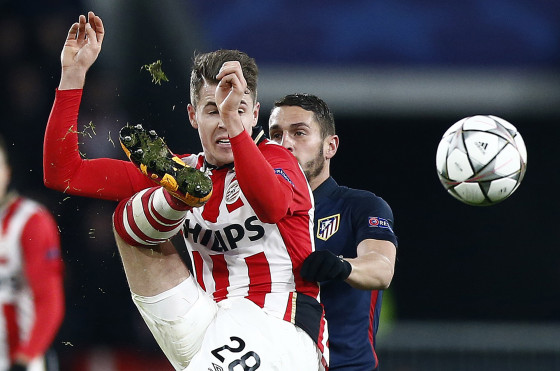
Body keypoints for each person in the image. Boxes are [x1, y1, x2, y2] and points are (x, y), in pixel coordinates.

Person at [43, 11, 327, 370]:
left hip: (281, 331)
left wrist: (235, 127)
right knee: (127, 219)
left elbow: (270, 207)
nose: (226, 121)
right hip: (206, 321)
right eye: (214, 111)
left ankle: (176, 200)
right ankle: (177, 199)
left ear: (255, 115)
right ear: (193, 116)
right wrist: (73, 75)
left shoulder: (280, 161)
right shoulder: (182, 169)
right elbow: (64, 174)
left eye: (237, 110)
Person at [268, 94, 398, 370]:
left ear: (330, 146)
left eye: (299, 133)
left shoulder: (360, 206)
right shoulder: (255, 212)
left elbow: (382, 268)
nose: (284, 144)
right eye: (275, 135)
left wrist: (342, 266)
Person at [0, 134, 65, 371]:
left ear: (7, 172)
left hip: (22, 363)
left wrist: (23, 360)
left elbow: (49, 301)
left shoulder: (31, 221)